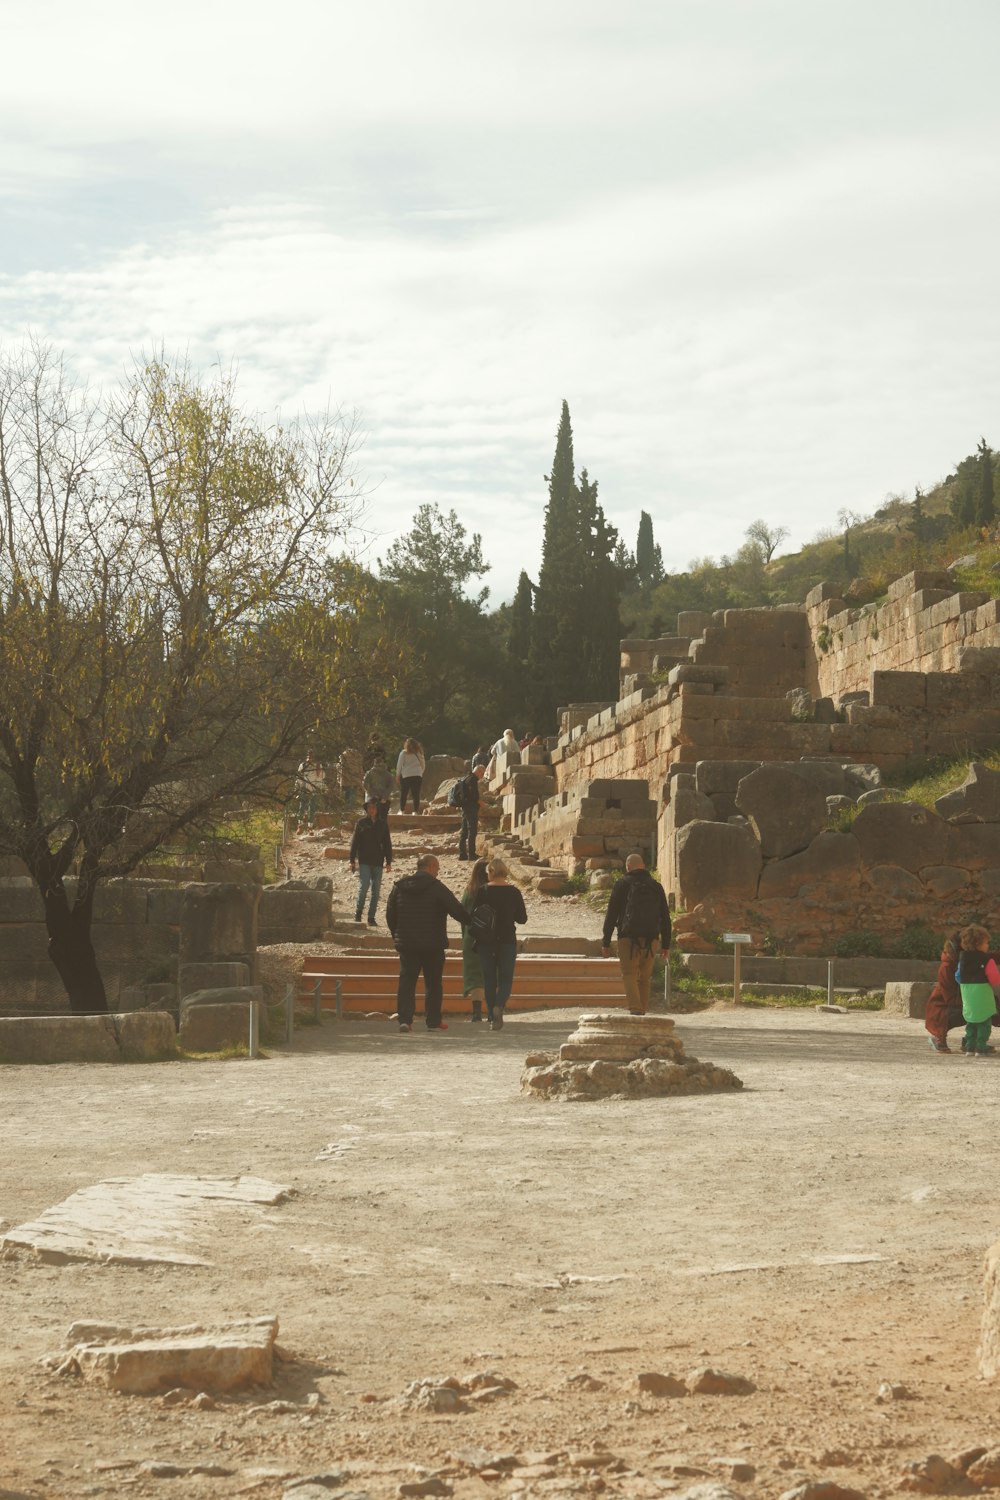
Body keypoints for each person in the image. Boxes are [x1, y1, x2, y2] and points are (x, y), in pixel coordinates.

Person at [386, 854, 470, 1032]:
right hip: (433, 944)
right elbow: (456, 910)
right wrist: (474, 922)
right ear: (431, 867)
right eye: (437, 868)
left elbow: (390, 915)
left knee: (407, 982)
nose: (438, 872)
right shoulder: (436, 887)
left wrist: (397, 935)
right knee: (433, 983)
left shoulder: (400, 887)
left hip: (407, 944)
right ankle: (433, 1021)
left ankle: (405, 1020)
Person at [601, 853, 672, 1016]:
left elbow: (611, 915)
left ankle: (635, 1008)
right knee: (645, 977)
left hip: (628, 938)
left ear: (628, 867)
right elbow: (665, 917)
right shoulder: (656, 886)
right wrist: (666, 944)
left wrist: (606, 942)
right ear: (644, 866)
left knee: (629, 974)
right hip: (651, 939)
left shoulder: (622, 884)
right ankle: (643, 1009)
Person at [475, 858, 527, 1030]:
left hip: (485, 942)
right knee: (505, 980)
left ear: (490, 872)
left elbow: (474, 916)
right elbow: (522, 919)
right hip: (507, 941)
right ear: (505, 872)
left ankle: (491, 1015)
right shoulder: (514, 892)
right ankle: (499, 1006)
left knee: (489, 980)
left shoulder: (482, 891)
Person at [957, 924, 1000, 1058]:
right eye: (986, 943)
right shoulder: (987, 960)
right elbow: (994, 979)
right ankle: (981, 1047)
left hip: (967, 993)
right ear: (979, 943)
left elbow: (957, 976)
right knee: (984, 1021)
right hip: (982, 994)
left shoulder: (962, 959)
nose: (988, 946)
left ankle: (970, 1046)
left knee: (971, 1020)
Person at [349, 797, 393, 925]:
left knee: (376, 891)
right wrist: (352, 860)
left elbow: (387, 844)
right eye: (369, 807)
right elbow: (355, 842)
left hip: (378, 861)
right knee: (363, 887)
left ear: (377, 809)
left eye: (373, 807)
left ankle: (371, 918)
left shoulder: (383, 824)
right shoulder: (361, 823)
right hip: (364, 860)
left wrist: (388, 862)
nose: (371, 810)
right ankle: (358, 914)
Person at [461, 858, 489, 1021]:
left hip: (471, 937)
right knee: (490, 974)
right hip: (489, 937)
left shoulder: (469, 891)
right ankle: (492, 1011)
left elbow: (463, 916)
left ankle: (476, 1013)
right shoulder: (491, 891)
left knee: (475, 977)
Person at [925, 931, 962, 1053]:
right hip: (942, 1007)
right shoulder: (947, 966)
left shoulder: (970, 959)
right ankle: (939, 1038)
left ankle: (971, 1040)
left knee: (988, 1006)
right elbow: (949, 996)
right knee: (975, 1010)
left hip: (959, 1000)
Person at [457, 764, 486, 861]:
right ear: (478, 771)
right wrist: (480, 802)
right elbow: (473, 795)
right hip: (471, 808)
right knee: (472, 831)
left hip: (465, 807)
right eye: (482, 773)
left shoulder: (466, 778)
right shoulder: (473, 780)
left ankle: (462, 854)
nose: (482, 776)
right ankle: (472, 854)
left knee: (464, 832)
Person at [294, 751, 325, 833]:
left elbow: (321, 777)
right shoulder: (303, 765)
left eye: (311, 756)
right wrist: (297, 788)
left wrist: (319, 788)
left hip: (313, 790)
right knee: (302, 808)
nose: (310, 758)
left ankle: (310, 827)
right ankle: (300, 826)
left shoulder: (318, 766)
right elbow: (299, 777)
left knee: (312, 809)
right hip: (304, 789)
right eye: (309, 756)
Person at [396, 737, 426, 813]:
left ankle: (402, 810)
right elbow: (423, 764)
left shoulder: (403, 753)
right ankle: (415, 811)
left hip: (406, 775)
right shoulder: (419, 753)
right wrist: (420, 773)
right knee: (416, 794)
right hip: (417, 775)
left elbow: (399, 765)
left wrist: (398, 775)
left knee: (404, 793)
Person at [363, 756, 395, 822]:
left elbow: (365, 785)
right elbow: (391, 786)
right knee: (383, 818)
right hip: (384, 799)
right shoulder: (388, 774)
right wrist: (385, 797)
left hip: (372, 798)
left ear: (374, 763)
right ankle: (382, 831)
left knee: (371, 817)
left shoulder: (369, 773)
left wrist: (372, 794)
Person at [337, 746, 363, 812]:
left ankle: (348, 811)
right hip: (355, 779)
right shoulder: (357, 756)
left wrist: (341, 780)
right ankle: (351, 810)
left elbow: (341, 769)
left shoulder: (344, 755)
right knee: (352, 794)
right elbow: (360, 768)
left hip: (346, 779)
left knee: (348, 796)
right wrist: (360, 778)